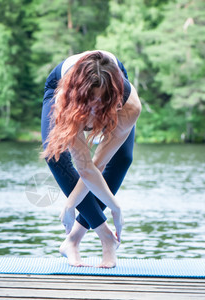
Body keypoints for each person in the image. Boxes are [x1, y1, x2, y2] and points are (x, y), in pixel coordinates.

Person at [40, 50, 142, 268]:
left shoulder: (129, 106)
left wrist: (74, 204)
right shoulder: (66, 101)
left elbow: (99, 164)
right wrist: (73, 205)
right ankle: (106, 236)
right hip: (63, 82)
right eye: (90, 102)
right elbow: (85, 168)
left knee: (122, 158)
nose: (95, 109)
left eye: (101, 102)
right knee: (55, 156)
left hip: (112, 81)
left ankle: (75, 239)